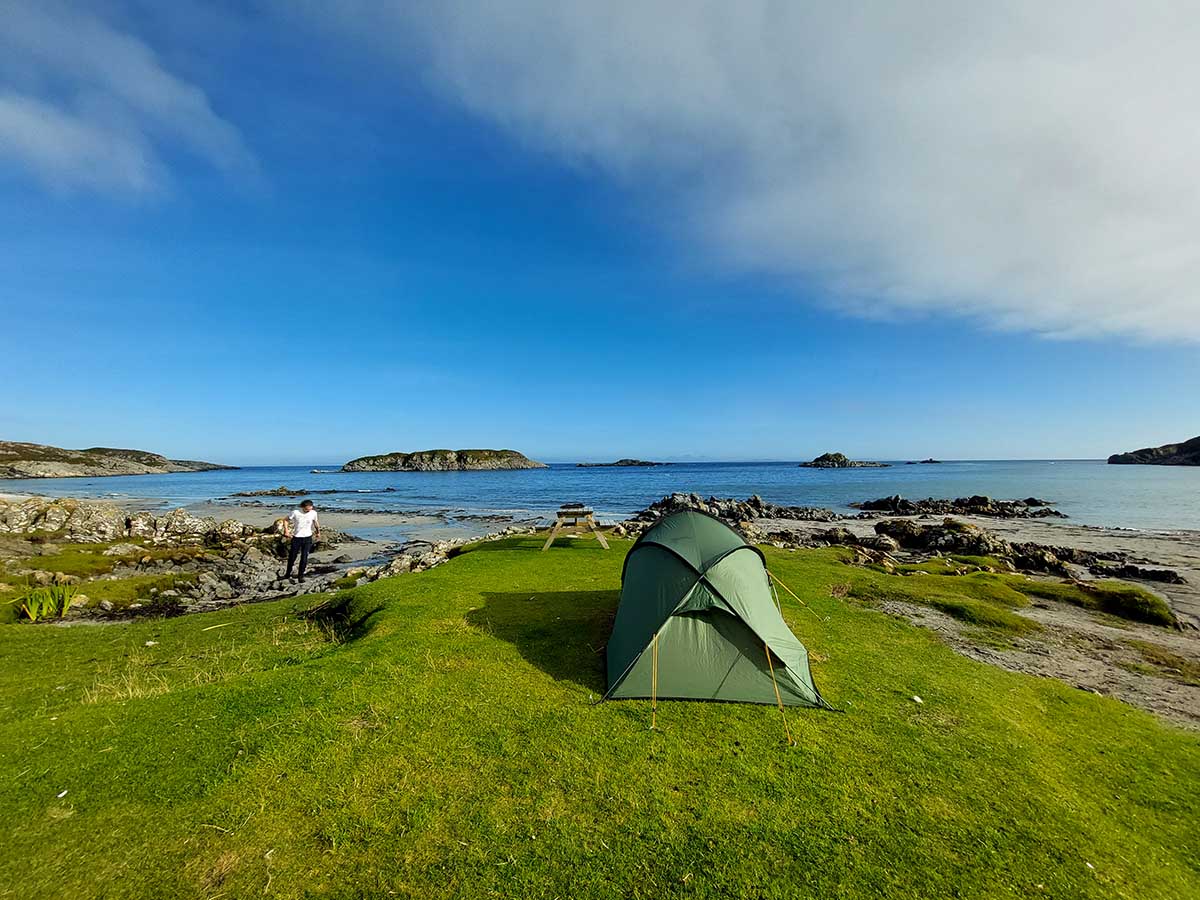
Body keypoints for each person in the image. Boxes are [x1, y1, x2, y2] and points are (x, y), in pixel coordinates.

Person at [282, 499, 320, 582]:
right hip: (297, 538)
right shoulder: (296, 512)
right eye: (307, 509)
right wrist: (286, 531)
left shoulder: (313, 513)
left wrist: (318, 532)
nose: (308, 510)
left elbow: (315, 522)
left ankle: (301, 576)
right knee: (292, 557)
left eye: (310, 508)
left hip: (308, 537)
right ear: (303, 507)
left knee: (304, 557)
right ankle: (287, 574)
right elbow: (285, 520)